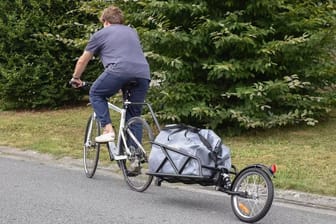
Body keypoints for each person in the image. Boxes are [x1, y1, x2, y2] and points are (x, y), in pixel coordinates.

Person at [70, 5, 150, 143]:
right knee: (134, 114)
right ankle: (135, 154)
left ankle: (108, 130)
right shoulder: (132, 31)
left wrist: (76, 77)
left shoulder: (100, 34)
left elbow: (83, 60)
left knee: (96, 93)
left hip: (119, 70)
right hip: (143, 73)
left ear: (105, 21)